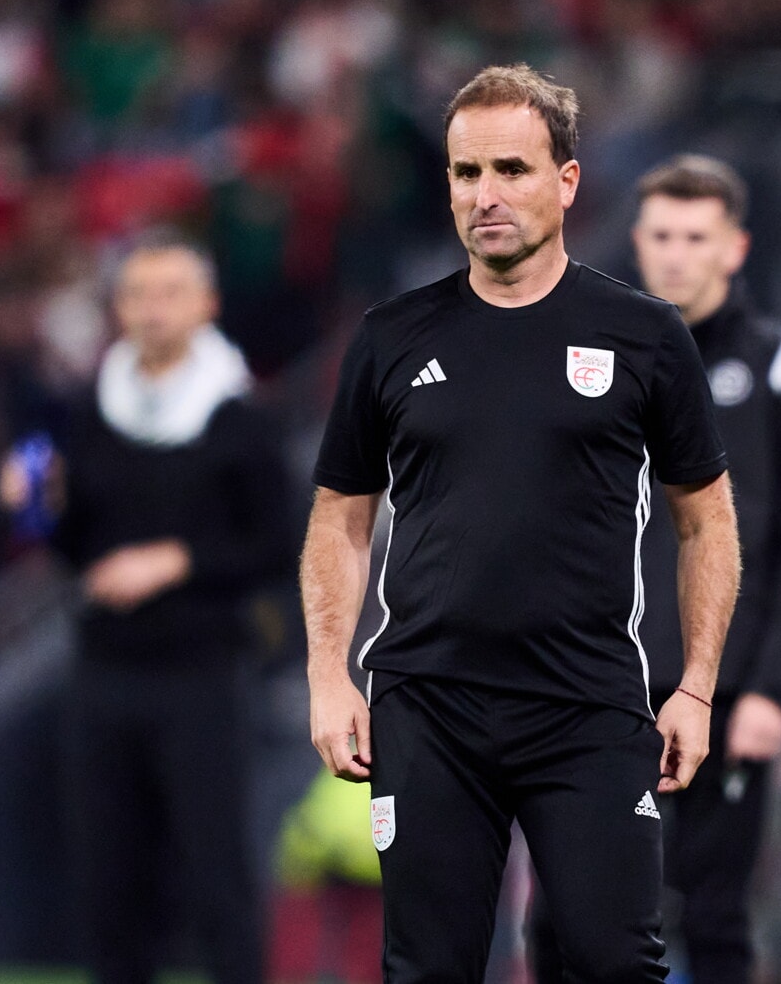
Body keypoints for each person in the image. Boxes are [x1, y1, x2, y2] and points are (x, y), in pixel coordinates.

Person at [301, 63, 741, 983]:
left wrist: (697, 689)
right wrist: (328, 677)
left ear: (567, 181)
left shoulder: (645, 336)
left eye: (511, 169)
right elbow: (340, 517)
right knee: (426, 970)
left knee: (615, 964)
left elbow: (706, 520)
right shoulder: (390, 337)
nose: (486, 195)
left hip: (588, 705)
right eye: (467, 173)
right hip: (427, 707)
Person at [534, 155, 781, 984]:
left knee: (713, 911)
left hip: (726, 692)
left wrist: (774, 689)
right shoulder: (588, 359)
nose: (676, 255)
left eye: (696, 237)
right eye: (661, 236)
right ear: (636, 243)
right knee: (560, 909)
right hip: (596, 684)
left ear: (735, 248)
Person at [0, 237, 294, 984]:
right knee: (110, 875)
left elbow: (276, 542)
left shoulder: (239, 418)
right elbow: (75, 547)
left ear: (207, 305)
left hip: (202, 672)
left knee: (216, 869)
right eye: (137, 294)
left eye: (170, 292)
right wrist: (37, 506)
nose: (152, 309)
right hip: (106, 669)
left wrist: (178, 560)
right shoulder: (92, 412)